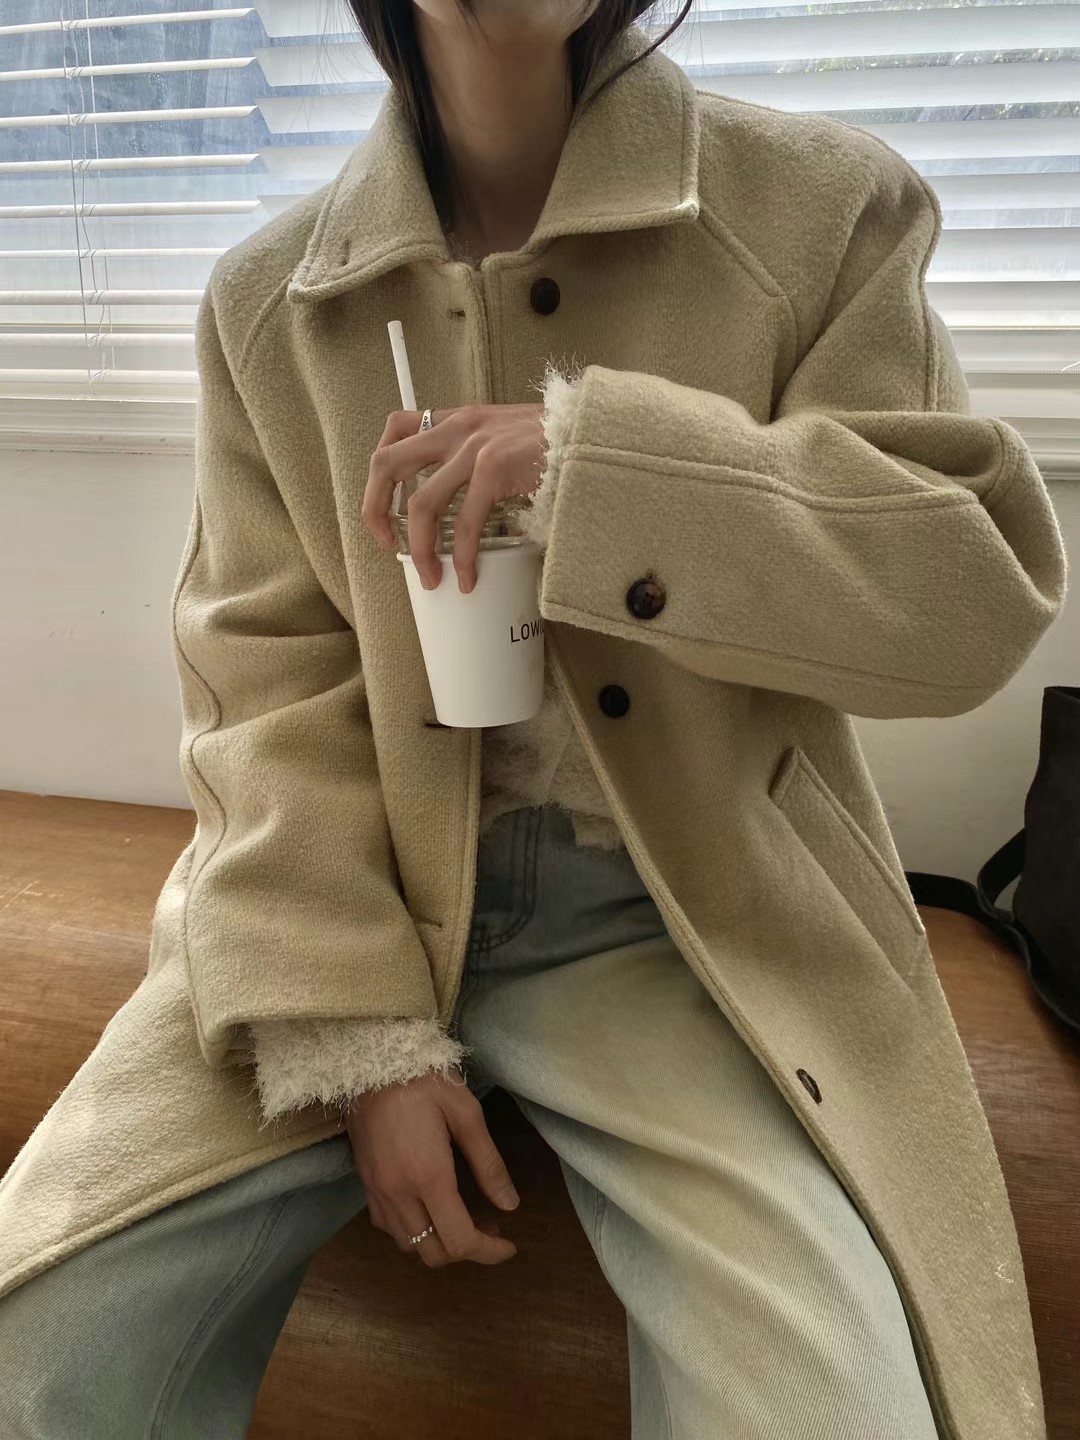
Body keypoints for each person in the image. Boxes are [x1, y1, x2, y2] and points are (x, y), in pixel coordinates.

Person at [0, 2, 1066, 1438]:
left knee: (824, 1407)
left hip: (681, 928)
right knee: (37, 1341)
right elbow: (265, 693)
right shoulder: (272, 302)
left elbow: (964, 596)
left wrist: (592, 467)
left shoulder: (820, 211)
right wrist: (357, 1039)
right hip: (347, 905)